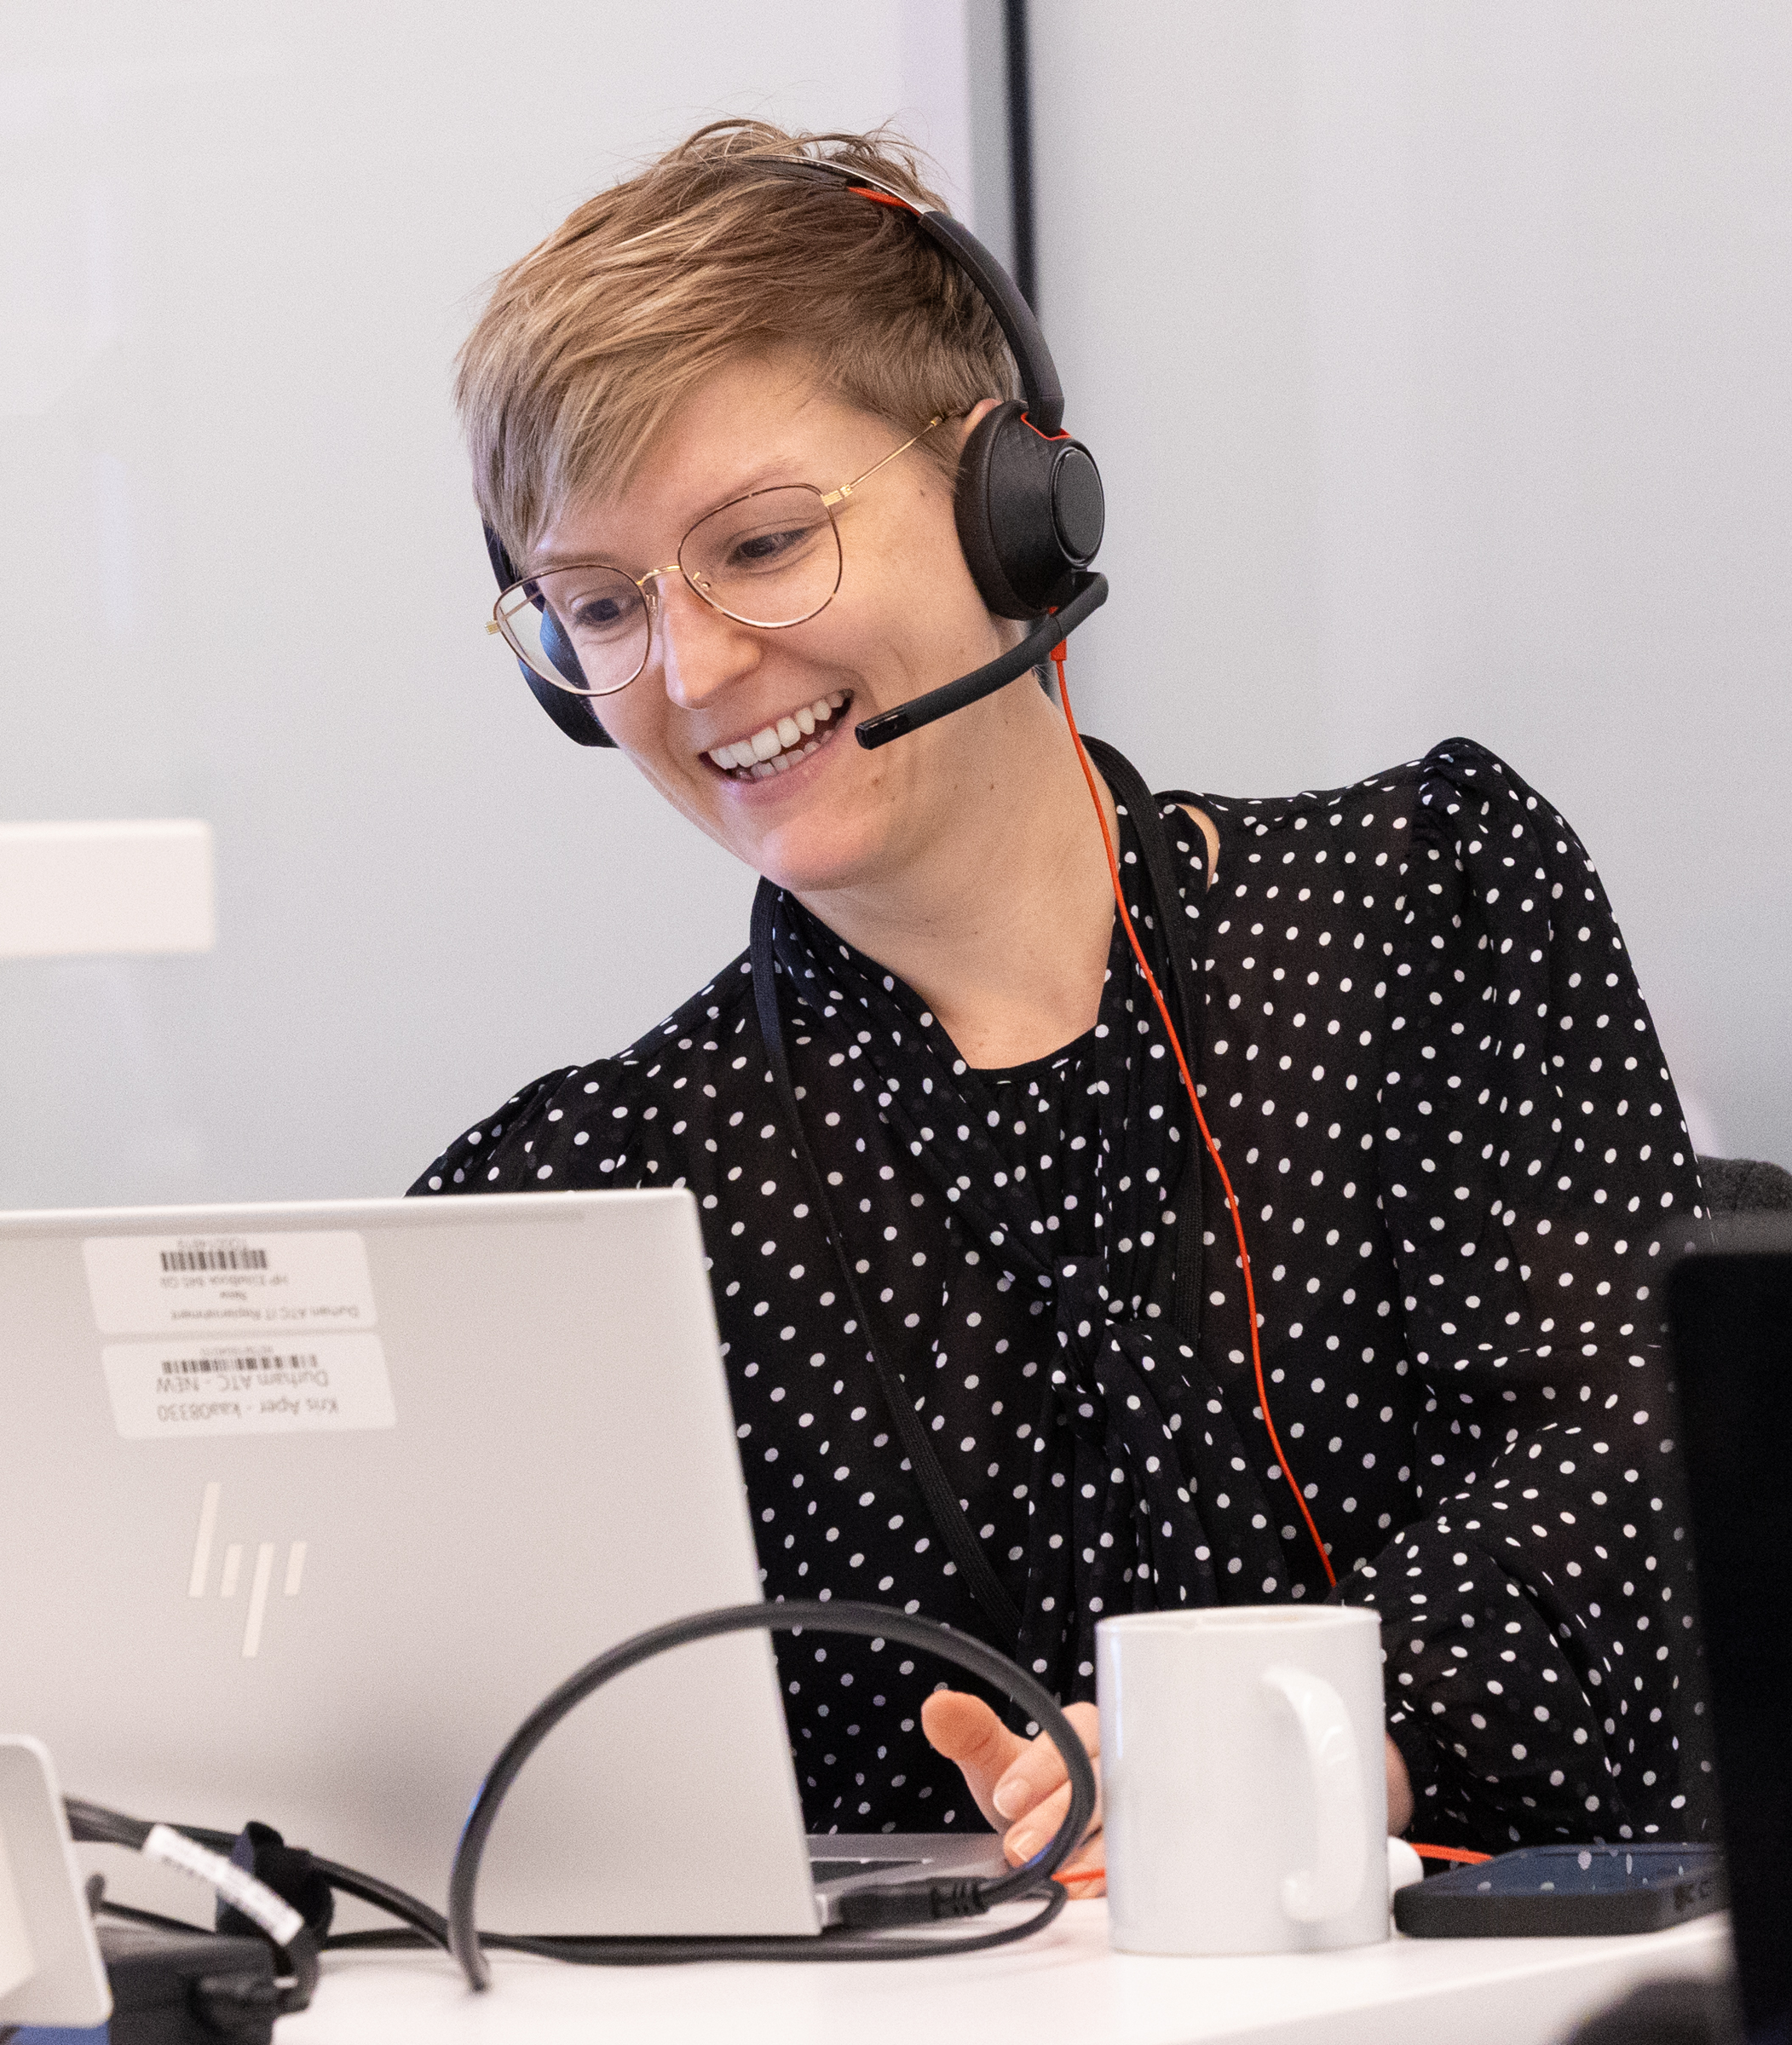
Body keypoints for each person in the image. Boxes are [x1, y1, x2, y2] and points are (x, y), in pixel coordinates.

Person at [416, 120, 1715, 1889]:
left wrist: (1270, 1748)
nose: (695, 669)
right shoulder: (571, 1194)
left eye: (764, 545)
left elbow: (1629, 1493)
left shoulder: (1427, 909)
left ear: (1007, 503)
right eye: (601, 607)